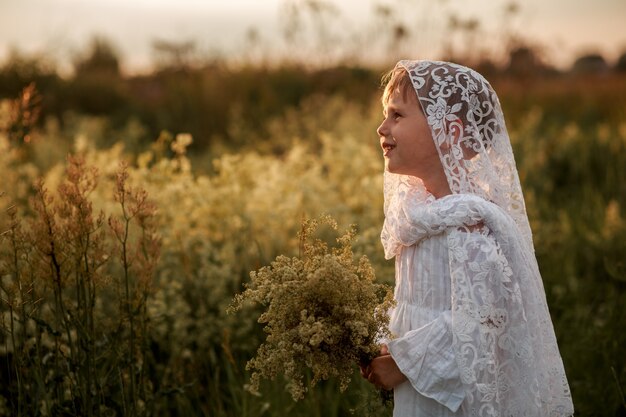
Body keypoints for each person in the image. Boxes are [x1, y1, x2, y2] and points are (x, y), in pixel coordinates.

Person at [360, 60, 574, 417]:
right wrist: (380, 340)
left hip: (458, 401)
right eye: (386, 115)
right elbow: (418, 305)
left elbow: (483, 322)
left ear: (450, 131)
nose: (382, 127)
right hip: (421, 392)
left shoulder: (469, 227)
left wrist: (403, 364)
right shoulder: (419, 214)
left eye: (397, 115)